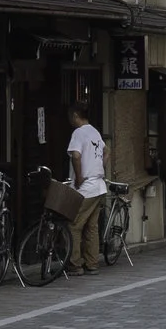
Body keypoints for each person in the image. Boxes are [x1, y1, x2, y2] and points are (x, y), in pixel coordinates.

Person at [66, 105, 108, 274]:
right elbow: (107, 152)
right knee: (91, 226)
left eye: (71, 117)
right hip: (99, 186)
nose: (70, 121)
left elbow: (76, 156)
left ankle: (75, 264)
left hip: (86, 187)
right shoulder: (95, 132)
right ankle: (92, 263)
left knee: (74, 225)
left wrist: (79, 177)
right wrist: (99, 168)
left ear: (76, 115)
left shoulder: (79, 133)